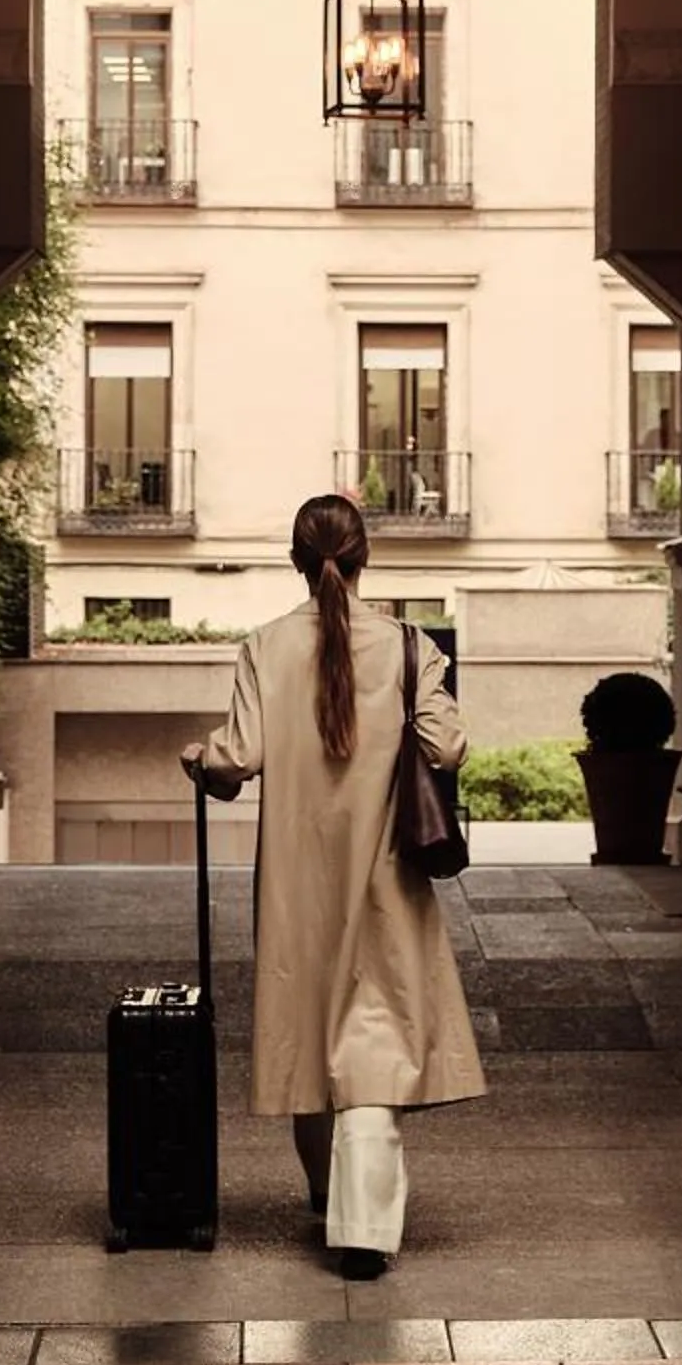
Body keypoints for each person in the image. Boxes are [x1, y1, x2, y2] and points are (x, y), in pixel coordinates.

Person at [180, 491, 486, 1278]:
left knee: (314, 1028)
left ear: (296, 559)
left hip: (296, 877)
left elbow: (236, 759)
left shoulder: (265, 646)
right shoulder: (409, 644)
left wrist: (198, 757)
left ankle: (328, 1192)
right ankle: (360, 1225)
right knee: (374, 1032)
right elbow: (447, 748)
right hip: (384, 872)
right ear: (364, 559)